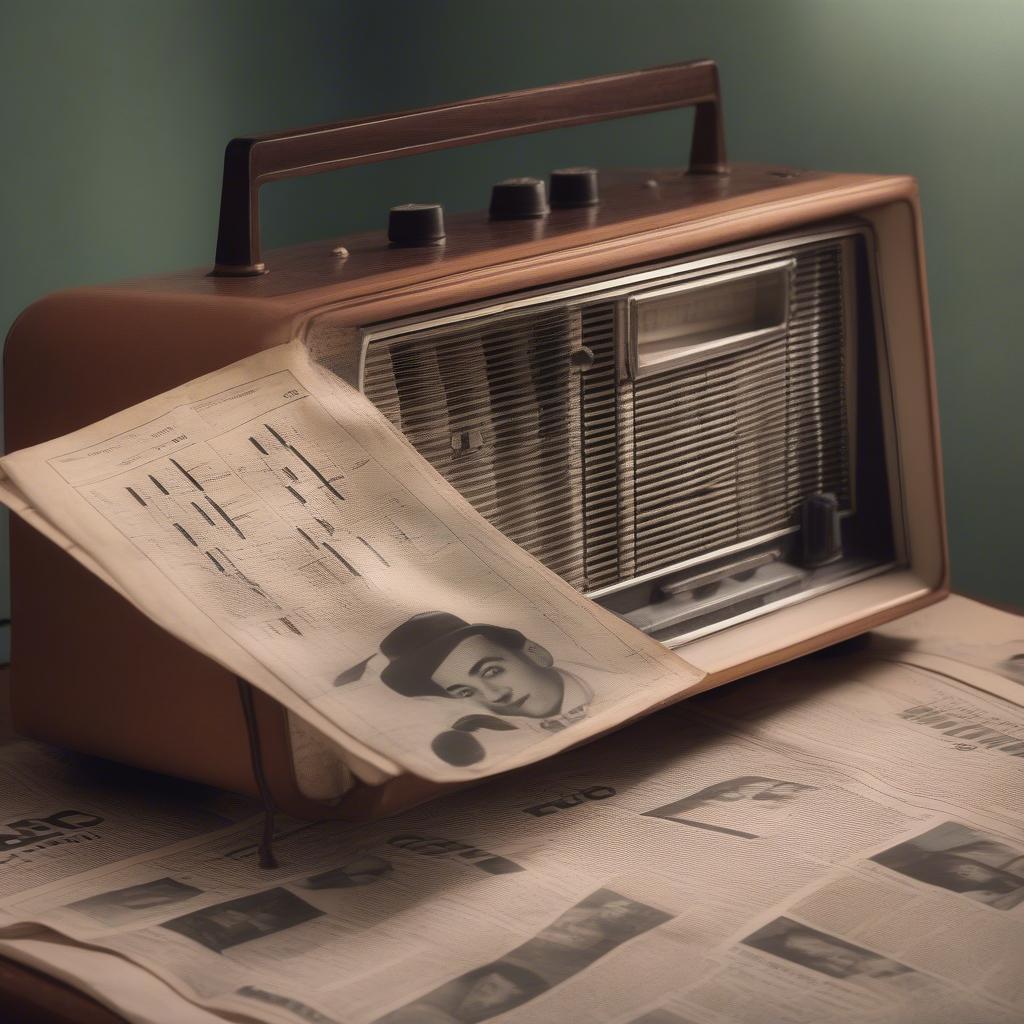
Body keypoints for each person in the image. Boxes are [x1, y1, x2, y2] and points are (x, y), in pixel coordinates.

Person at [336, 612, 593, 765]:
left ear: (532, 652)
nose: (494, 696)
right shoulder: (496, 744)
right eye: (465, 692)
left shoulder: (623, 686)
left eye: (491, 671)